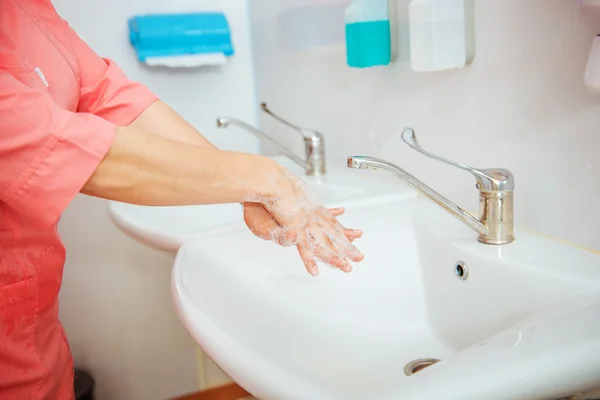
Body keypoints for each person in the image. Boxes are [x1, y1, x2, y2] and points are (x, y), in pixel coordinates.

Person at [0, 0, 365, 398]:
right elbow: (56, 148)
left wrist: (247, 193)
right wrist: (266, 180)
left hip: (33, 320)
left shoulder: (26, 10)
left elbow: (109, 97)